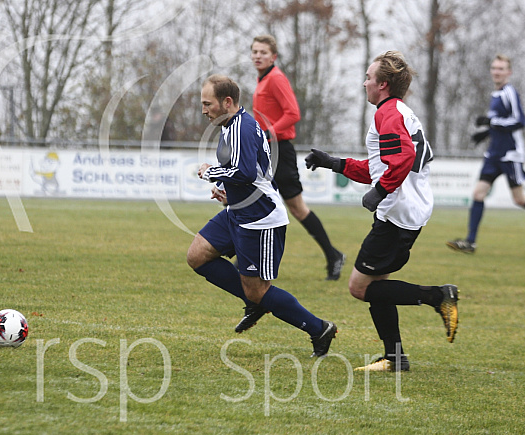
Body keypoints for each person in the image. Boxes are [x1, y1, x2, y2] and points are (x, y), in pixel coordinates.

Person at [305, 51, 458, 372]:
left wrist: (381, 191)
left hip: (396, 213)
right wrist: (333, 162)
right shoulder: (401, 111)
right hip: (409, 210)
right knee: (379, 286)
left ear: (383, 84)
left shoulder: (386, 114)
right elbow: (378, 167)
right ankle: (395, 358)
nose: (364, 83)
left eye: (368, 78)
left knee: (360, 287)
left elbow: (400, 159)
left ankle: (437, 297)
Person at [186, 74, 337, 356]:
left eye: (207, 104)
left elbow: (244, 172)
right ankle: (255, 301)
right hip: (238, 210)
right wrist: (224, 189)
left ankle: (319, 328)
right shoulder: (230, 125)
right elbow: (250, 171)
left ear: (227, 102)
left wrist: (210, 173)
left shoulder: (242, 127)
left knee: (257, 290)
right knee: (197, 255)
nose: (203, 110)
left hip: (259, 218)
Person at [251, 34, 345, 281]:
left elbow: (293, 113)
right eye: (255, 51)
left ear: (274, 56)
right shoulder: (262, 80)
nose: (258, 56)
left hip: (280, 151)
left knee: (296, 207)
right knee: (256, 200)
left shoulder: (276, 78)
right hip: (267, 150)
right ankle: (247, 258)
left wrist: (269, 132)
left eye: (263, 52)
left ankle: (333, 255)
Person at [447, 54, 525, 254]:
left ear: (509, 72)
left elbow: (520, 121)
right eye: (494, 68)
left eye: (501, 68)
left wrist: (492, 124)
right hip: (493, 154)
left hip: (510, 155)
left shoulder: (509, 92)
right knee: (478, 193)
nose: (496, 72)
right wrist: (486, 133)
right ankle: (470, 242)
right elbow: (499, 123)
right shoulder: (495, 95)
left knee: (519, 199)